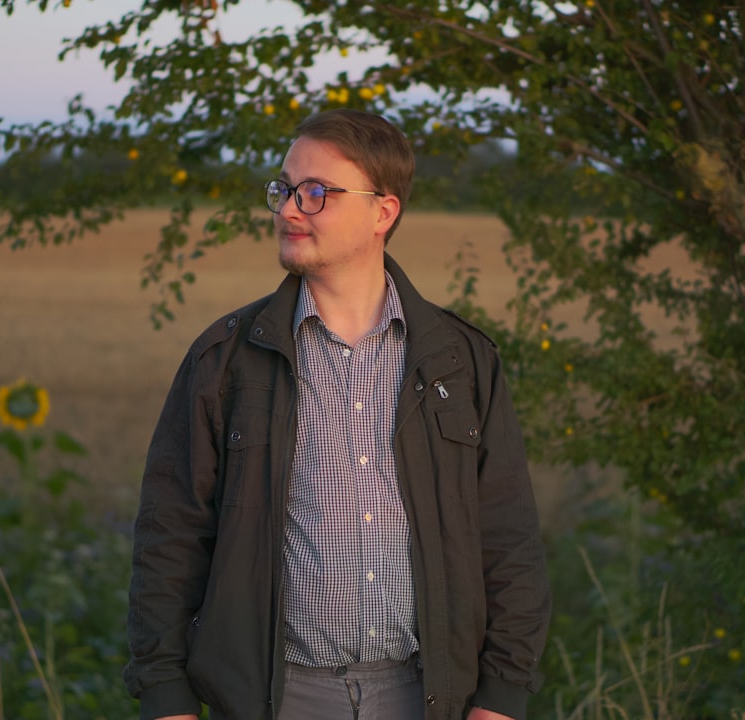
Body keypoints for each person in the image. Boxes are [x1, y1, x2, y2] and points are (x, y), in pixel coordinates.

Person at [124, 108, 551, 720]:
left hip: (426, 696)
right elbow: (170, 538)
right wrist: (166, 698)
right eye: (286, 188)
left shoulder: (460, 360)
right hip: (276, 698)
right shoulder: (226, 360)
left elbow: (509, 542)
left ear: (384, 212)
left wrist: (502, 699)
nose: (289, 209)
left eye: (316, 192)